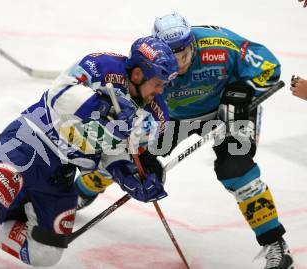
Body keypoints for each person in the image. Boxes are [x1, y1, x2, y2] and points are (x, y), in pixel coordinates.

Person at [0, 36, 178, 268]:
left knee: (46, 253)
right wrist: (99, 108)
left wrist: (129, 177)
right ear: (138, 73)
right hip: (30, 143)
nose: (161, 91)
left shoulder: (153, 112)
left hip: (62, 171)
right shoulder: (103, 66)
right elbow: (59, 94)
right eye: (158, 83)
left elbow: (116, 151)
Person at [74, 12, 294, 269]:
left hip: (229, 111)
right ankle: (81, 191)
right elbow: (134, 107)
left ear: (194, 45)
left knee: (236, 169)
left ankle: (276, 245)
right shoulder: (146, 63)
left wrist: (240, 92)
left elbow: (269, 67)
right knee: (131, 163)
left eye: (186, 56)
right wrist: (142, 153)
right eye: (173, 58)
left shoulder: (219, 45)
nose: (180, 65)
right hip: (172, 119)